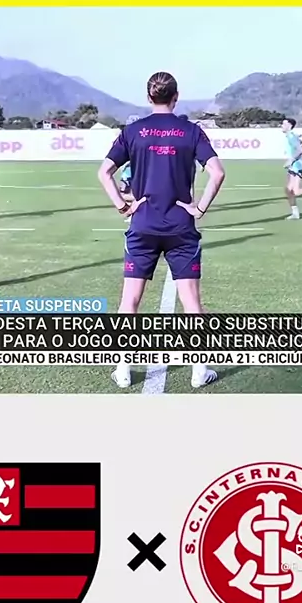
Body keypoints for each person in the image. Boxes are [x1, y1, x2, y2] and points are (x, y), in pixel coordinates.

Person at [98, 71, 225, 390]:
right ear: (176, 97)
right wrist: (200, 208)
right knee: (192, 303)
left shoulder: (133, 131)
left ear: (148, 97)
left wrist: (123, 207)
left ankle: (123, 370)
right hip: (181, 227)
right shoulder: (191, 131)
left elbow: (104, 172)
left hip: (142, 226)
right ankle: (199, 370)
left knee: (130, 301)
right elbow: (218, 173)